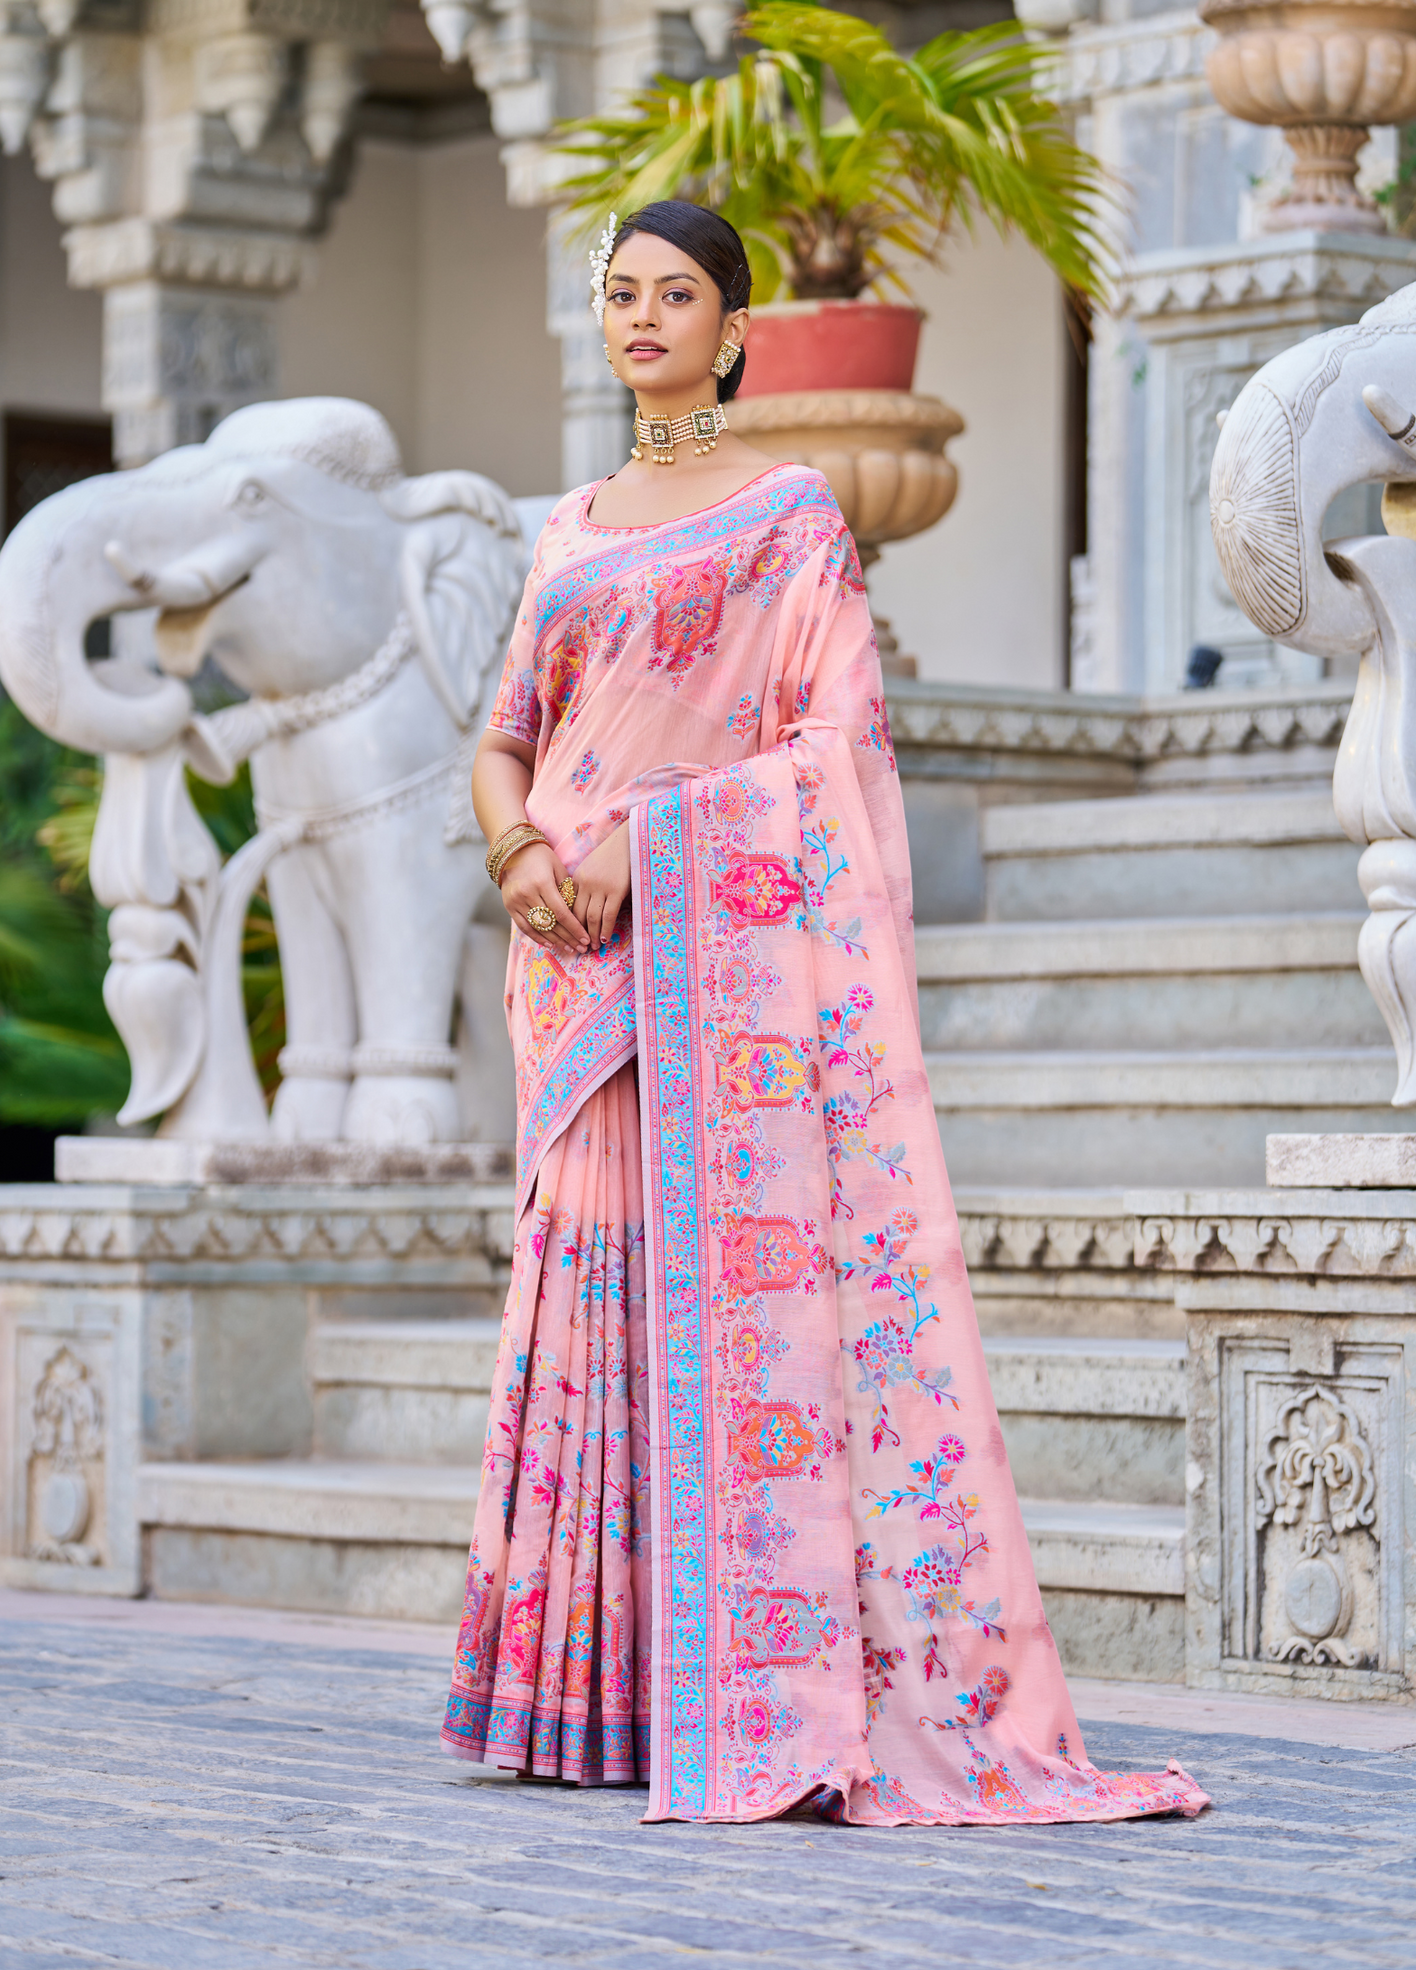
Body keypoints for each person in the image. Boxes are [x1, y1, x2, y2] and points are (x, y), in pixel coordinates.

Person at [442, 198, 1207, 1828]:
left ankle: (738, 1683)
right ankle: (579, 1692)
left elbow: (839, 752)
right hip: (568, 972)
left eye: (676, 295)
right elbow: (505, 731)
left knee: (707, 1303)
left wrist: (650, 857)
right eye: (620, 294)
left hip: (696, 969)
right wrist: (521, 856)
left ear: (734, 332)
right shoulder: (570, 527)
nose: (642, 317)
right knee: (585, 1299)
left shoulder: (787, 518)